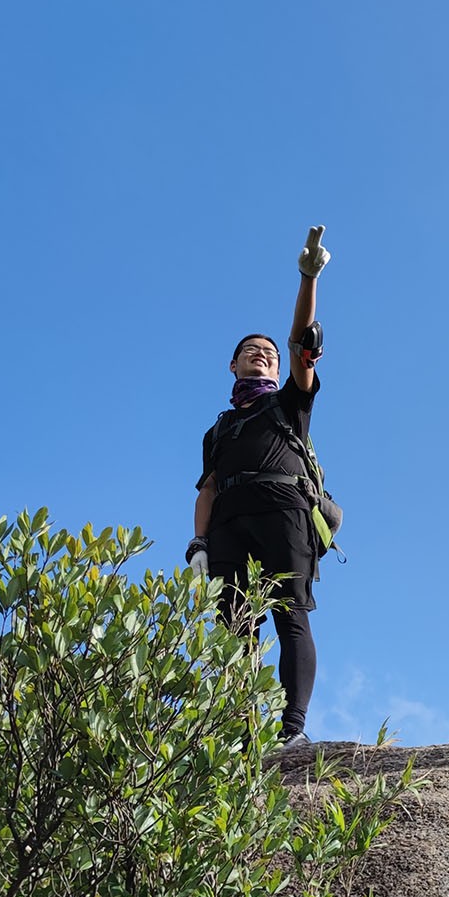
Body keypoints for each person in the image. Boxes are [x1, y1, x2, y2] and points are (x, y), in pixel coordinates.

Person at [189, 226, 331, 749]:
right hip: (227, 522)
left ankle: (292, 731)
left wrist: (307, 278)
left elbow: (299, 342)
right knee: (235, 627)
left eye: (267, 352)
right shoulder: (219, 428)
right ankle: (243, 736)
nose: (262, 354)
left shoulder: (290, 402)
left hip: (284, 509)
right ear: (233, 364)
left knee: (289, 613)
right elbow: (205, 489)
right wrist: (198, 544)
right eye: (251, 350)